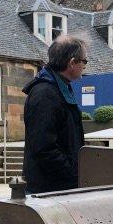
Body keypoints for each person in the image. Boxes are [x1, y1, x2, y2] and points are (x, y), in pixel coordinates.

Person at [22, 35, 88, 194]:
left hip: (57, 188)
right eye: (84, 61)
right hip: (49, 191)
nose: (85, 66)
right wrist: (73, 173)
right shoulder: (45, 94)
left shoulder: (59, 88)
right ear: (72, 63)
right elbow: (44, 148)